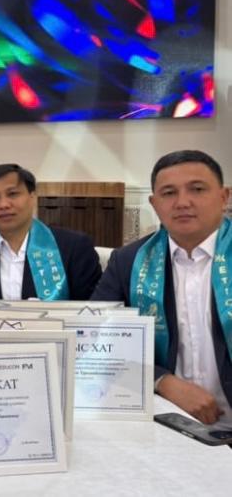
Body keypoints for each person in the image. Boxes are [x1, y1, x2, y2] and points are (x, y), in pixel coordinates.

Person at [92, 150, 232, 427]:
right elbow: (94, 339)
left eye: (197, 189)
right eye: (169, 193)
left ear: (224, 196)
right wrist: (161, 380)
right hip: (168, 423)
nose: (183, 202)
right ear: (154, 204)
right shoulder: (128, 262)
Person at [0, 164, 101, 307]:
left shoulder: (74, 247)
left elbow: (95, 310)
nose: (3, 205)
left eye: (12, 194)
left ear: (32, 197)